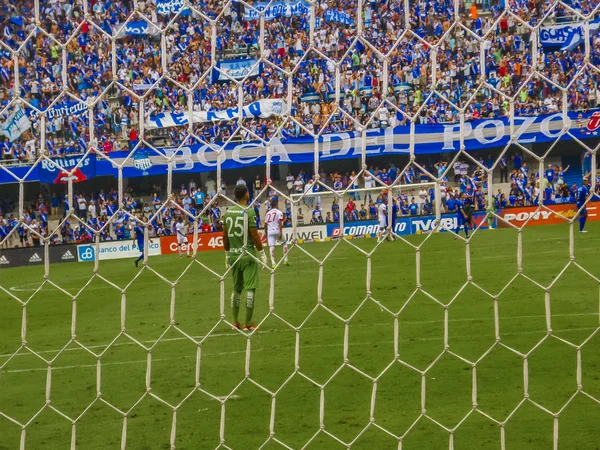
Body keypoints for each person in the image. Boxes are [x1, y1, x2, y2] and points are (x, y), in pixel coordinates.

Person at [223, 184, 268, 332]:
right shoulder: (248, 211)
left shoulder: (228, 213)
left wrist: (227, 255)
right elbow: (254, 234)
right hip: (247, 255)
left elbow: (225, 236)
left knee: (236, 289)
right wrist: (261, 253)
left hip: (234, 256)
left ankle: (235, 322)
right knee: (250, 289)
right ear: (246, 195)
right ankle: (248, 323)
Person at [264, 198, 289, 268]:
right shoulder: (278, 212)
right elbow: (279, 222)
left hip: (269, 231)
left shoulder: (267, 213)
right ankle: (285, 260)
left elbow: (265, 225)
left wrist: (266, 234)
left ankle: (273, 263)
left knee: (271, 247)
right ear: (276, 205)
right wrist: (280, 232)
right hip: (277, 230)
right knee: (284, 244)